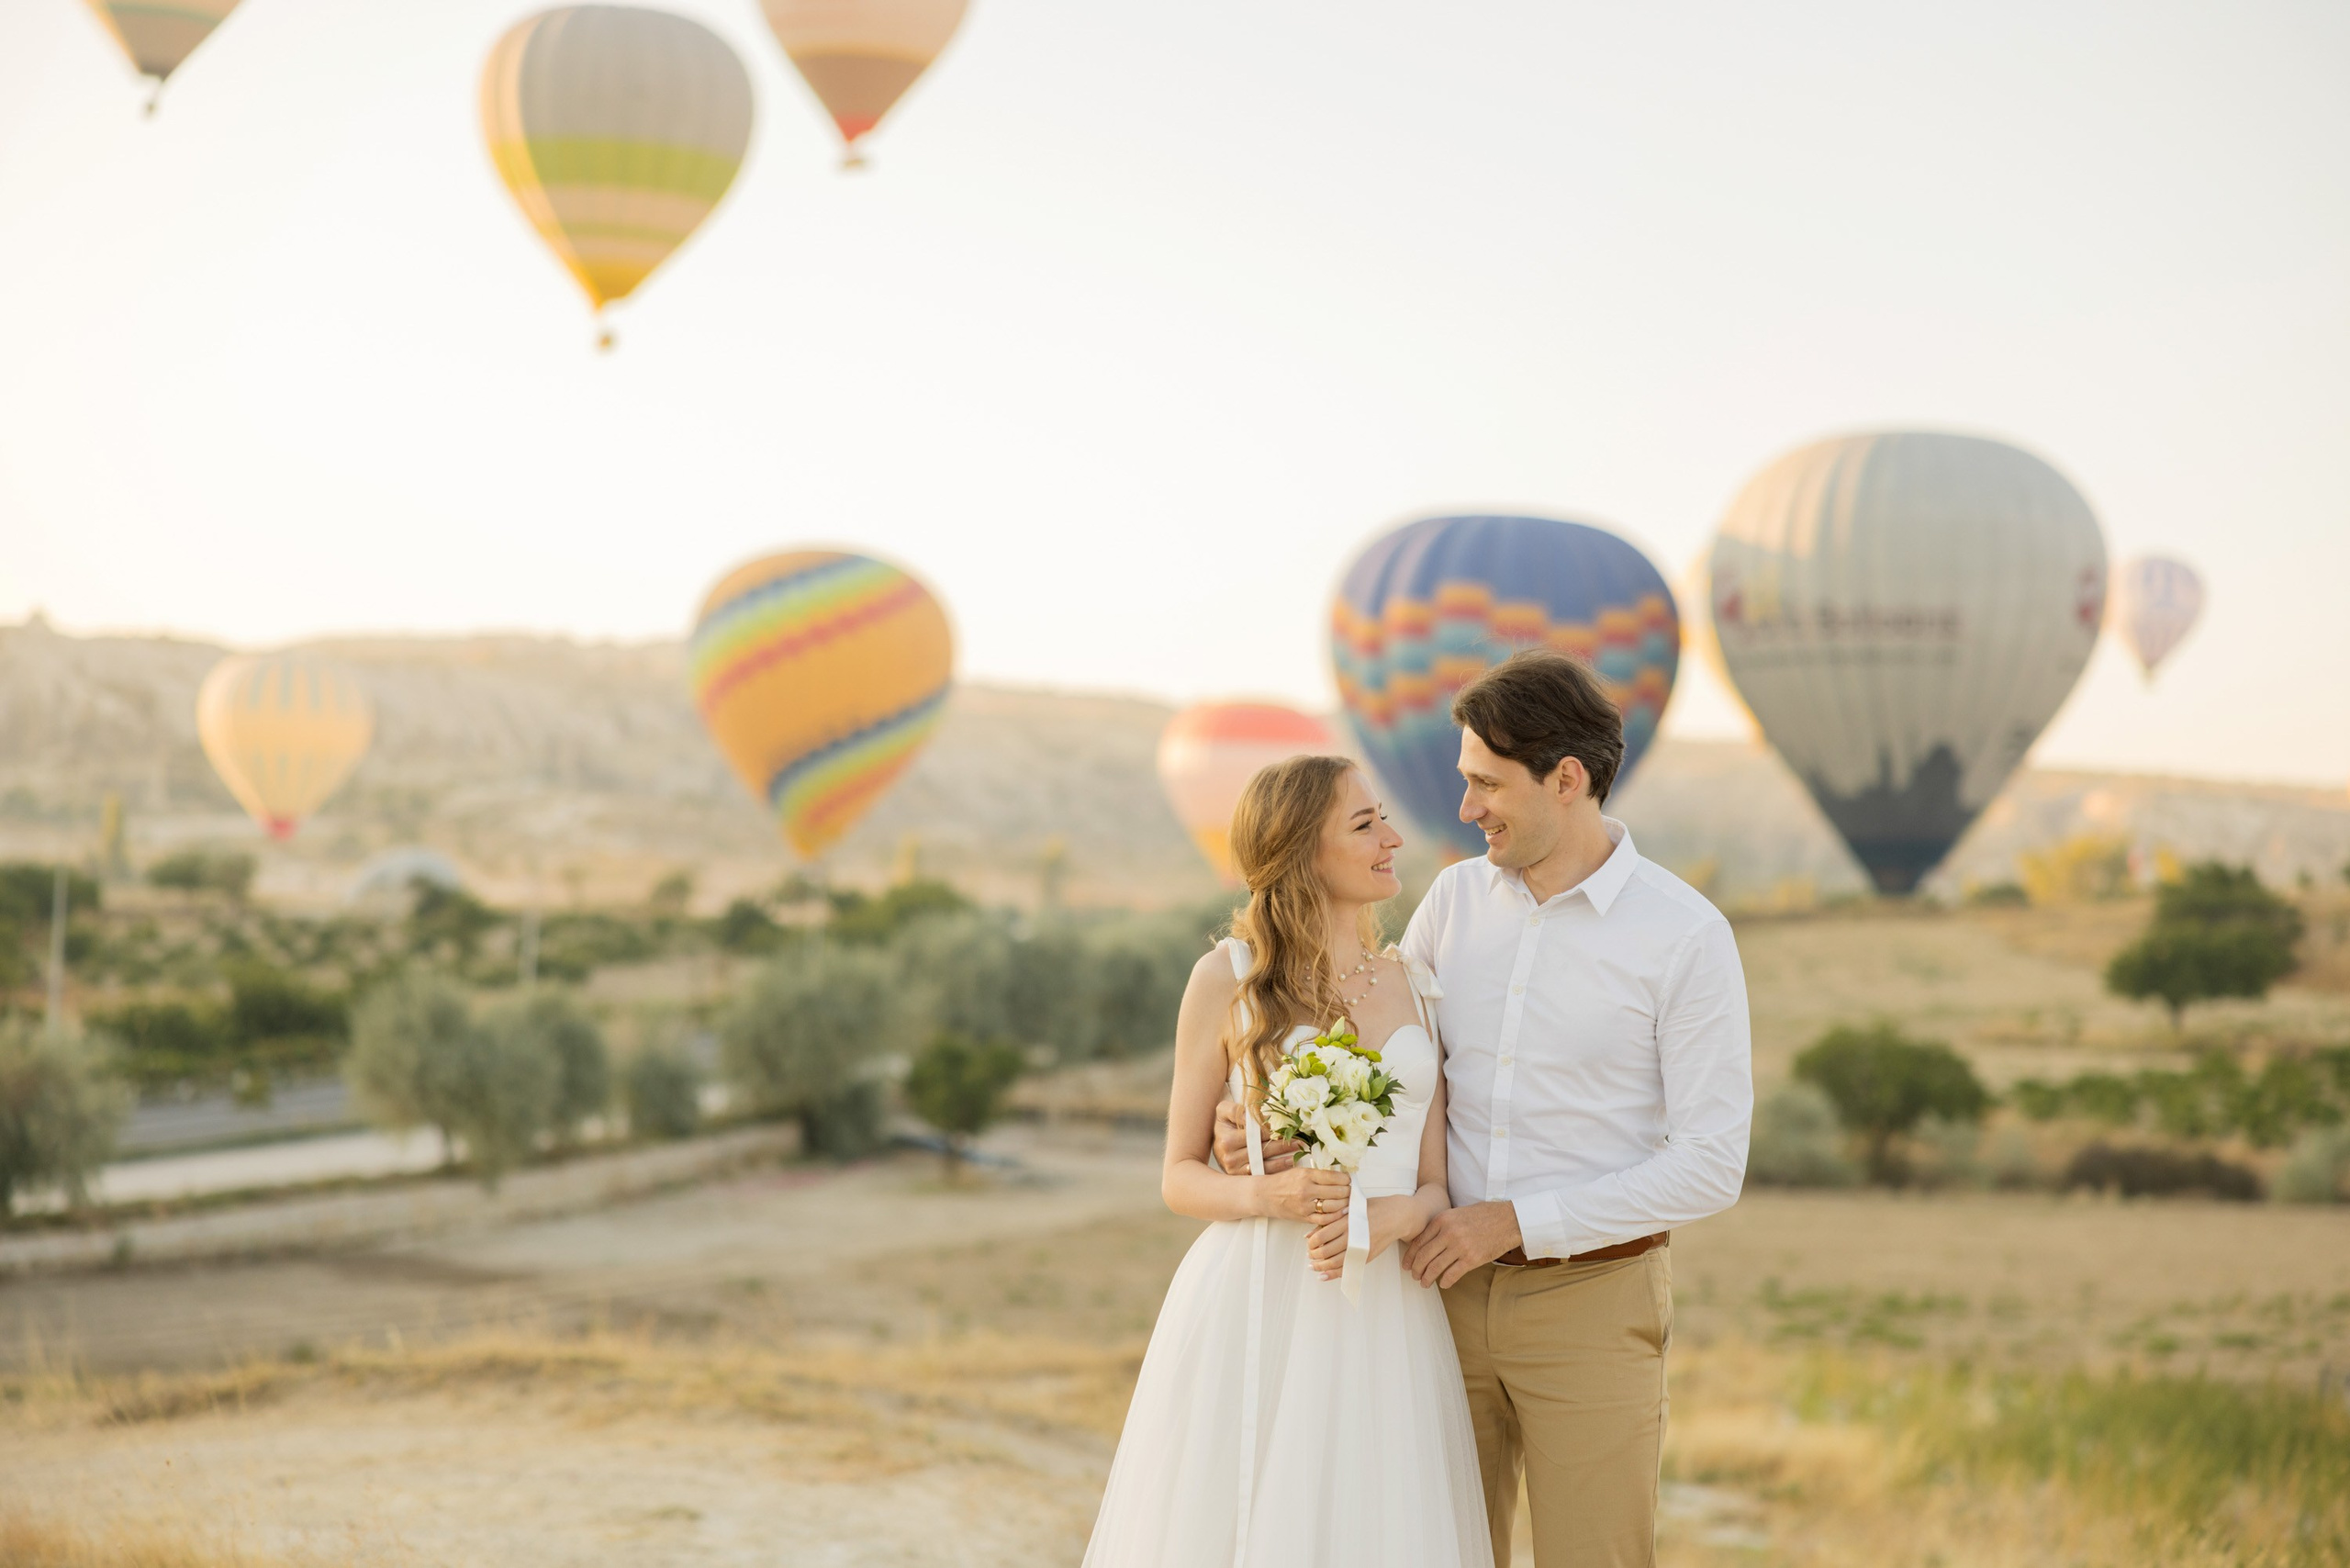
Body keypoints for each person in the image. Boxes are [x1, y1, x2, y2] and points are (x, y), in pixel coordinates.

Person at [1214, 650, 1753, 1568]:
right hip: (1429, 1298)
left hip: (1590, 1303)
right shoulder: (1454, 903)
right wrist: (1265, 1122)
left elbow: (1710, 1162)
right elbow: (1382, 1065)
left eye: (1485, 784)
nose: (1463, 809)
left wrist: (1512, 1223)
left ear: (1567, 779)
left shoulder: (1684, 934)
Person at [1080, 754, 1493, 1568]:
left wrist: (1382, 1221)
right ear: (1305, 850)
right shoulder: (1226, 981)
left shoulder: (1417, 982)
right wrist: (1276, 1195)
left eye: (1384, 818)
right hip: (1262, 1289)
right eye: (1366, 824)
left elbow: (1436, 1182)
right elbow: (1179, 1174)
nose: (1394, 837)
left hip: (1386, 1308)